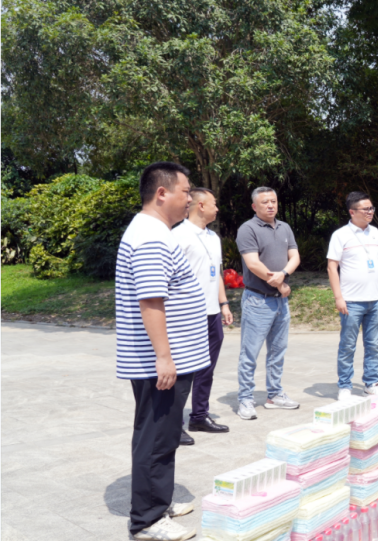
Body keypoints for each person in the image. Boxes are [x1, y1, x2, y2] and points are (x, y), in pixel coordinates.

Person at [116, 162, 210, 541]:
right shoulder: (151, 237)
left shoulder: (154, 232)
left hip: (168, 357)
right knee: (156, 438)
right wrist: (164, 357)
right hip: (162, 361)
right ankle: (148, 520)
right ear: (161, 193)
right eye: (185, 191)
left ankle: (159, 502)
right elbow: (151, 301)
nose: (190, 199)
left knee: (162, 435)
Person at [173, 188, 234, 445]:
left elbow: (215, 272)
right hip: (187, 315)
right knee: (182, 371)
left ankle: (199, 416)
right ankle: (173, 426)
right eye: (214, 203)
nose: (217, 208)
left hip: (211, 313)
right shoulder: (178, 236)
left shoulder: (213, 237)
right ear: (200, 205)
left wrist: (223, 303)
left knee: (206, 368)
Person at [235, 187, 301, 420]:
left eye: (273, 201)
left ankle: (274, 395)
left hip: (280, 303)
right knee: (249, 353)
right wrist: (280, 284)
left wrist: (283, 274)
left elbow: (295, 256)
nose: (271, 205)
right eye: (265, 202)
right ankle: (245, 398)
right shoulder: (248, 229)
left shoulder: (284, 227)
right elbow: (253, 264)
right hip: (257, 300)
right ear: (255, 206)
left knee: (277, 351)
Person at [327, 192, 378, 400]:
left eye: (371, 208)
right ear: (352, 212)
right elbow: (332, 267)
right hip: (351, 302)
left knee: (373, 345)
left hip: (374, 301)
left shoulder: (375, 233)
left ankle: (371, 384)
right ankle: (345, 386)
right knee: (348, 345)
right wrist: (338, 297)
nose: (370, 212)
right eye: (366, 209)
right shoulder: (340, 235)